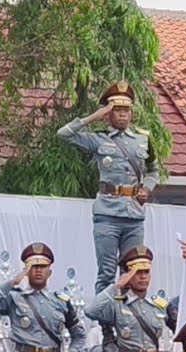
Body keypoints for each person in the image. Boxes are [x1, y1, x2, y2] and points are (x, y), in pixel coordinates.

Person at [57, 81, 160, 296]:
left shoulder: (143, 139)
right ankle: (103, 315)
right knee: (106, 272)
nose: (122, 114)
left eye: (126, 110)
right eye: (116, 110)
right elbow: (64, 134)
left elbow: (153, 170)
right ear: (108, 113)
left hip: (134, 216)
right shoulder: (98, 139)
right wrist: (93, 117)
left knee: (132, 270)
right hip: (107, 214)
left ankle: (127, 313)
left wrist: (147, 188)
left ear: (132, 113)